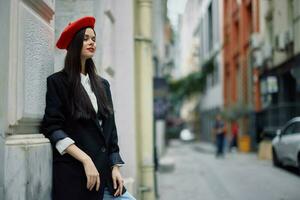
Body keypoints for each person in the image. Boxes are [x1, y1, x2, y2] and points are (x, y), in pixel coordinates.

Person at [40, 16, 136, 200]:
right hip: (75, 177)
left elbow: (111, 131)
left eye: (93, 38)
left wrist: (115, 166)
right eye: (85, 38)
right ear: (74, 44)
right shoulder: (57, 82)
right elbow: (52, 127)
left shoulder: (103, 85)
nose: (91, 42)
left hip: (106, 178)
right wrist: (85, 159)